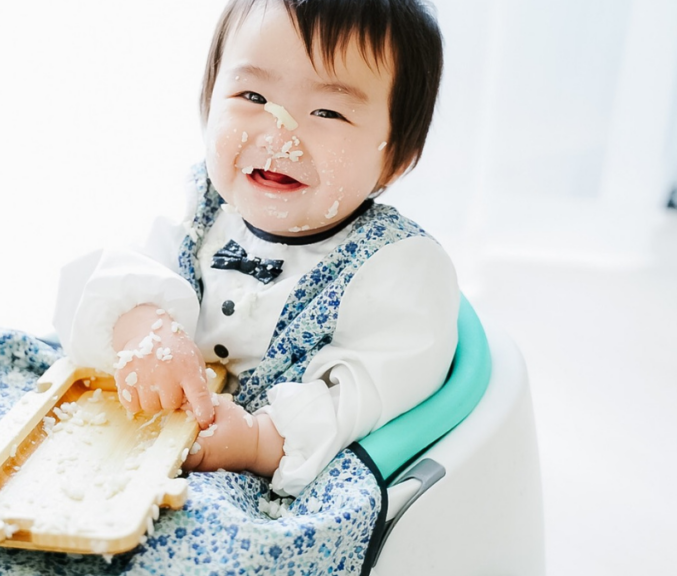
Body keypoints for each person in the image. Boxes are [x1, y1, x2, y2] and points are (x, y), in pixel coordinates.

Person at [54, 0, 457, 500]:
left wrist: (259, 440)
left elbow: (364, 393)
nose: (280, 133)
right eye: (253, 95)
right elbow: (115, 273)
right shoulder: (199, 207)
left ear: (397, 157)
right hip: (141, 439)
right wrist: (142, 324)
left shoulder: (396, 269)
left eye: (328, 111)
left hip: (267, 478)